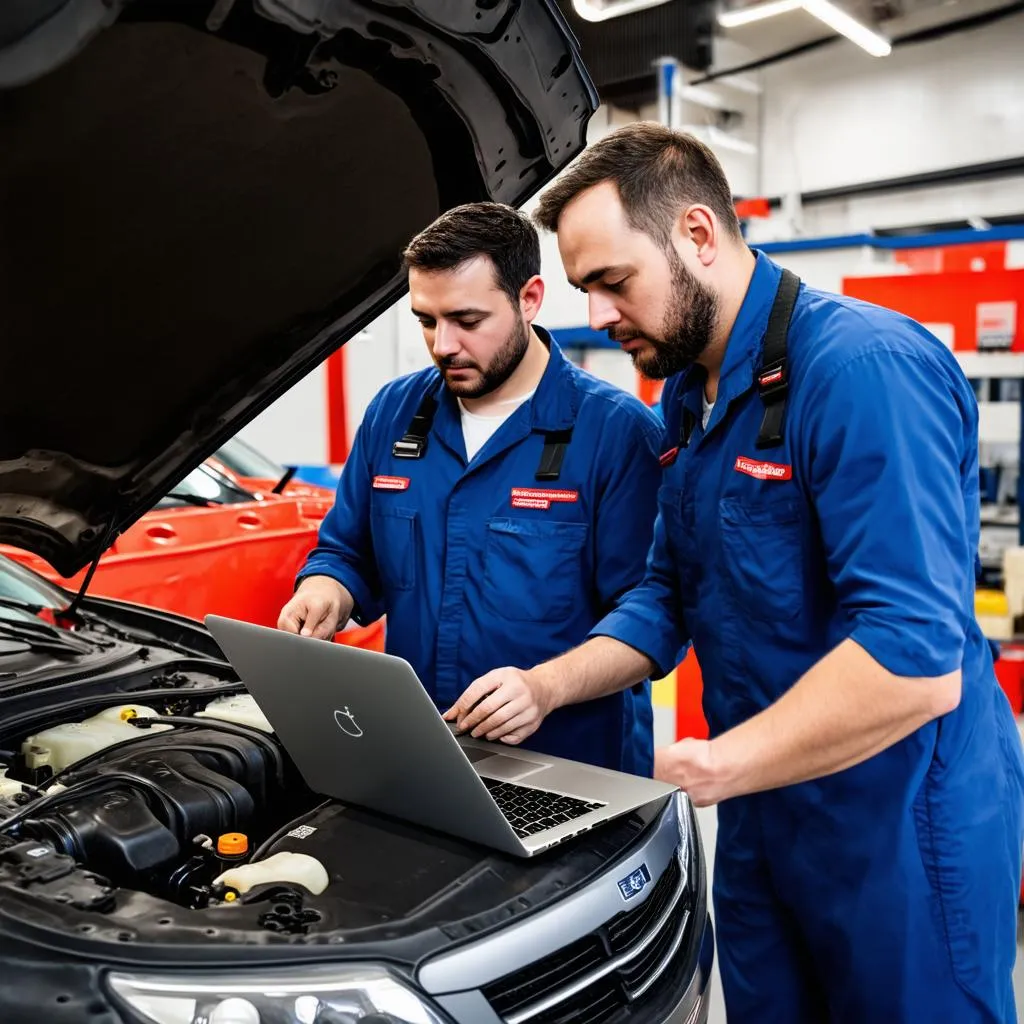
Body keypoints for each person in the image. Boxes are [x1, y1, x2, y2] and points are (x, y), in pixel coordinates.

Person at [446, 124, 1024, 1023]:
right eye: (584, 289)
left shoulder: (863, 371)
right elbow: (667, 592)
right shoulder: (688, 393)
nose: (595, 316)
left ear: (698, 237)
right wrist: (543, 684)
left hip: (898, 821)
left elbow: (915, 658)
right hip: (762, 813)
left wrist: (713, 763)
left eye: (611, 282)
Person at [278, 202, 666, 775]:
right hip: (422, 752)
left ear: (529, 299)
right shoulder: (394, 413)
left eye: (467, 320)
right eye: (426, 320)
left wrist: (545, 687)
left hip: (570, 767)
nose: (443, 345)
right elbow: (347, 551)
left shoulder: (614, 433)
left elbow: (653, 614)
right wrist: (326, 591)